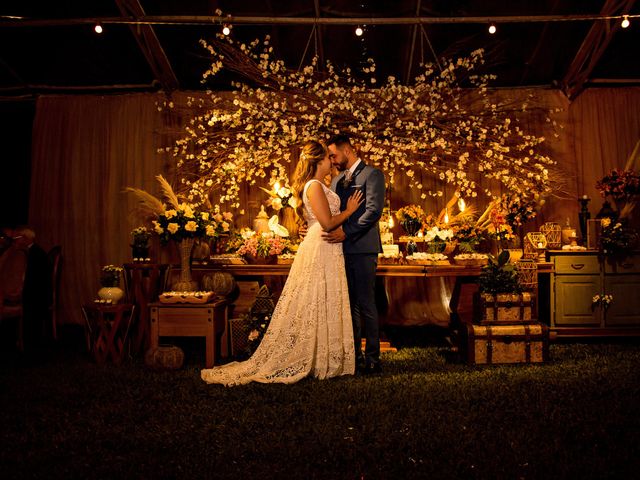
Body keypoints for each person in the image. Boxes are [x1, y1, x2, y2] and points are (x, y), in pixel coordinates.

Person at [201, 140, 363, 386]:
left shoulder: (319, 185)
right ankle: (312, 356)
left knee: (322, 298)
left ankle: (324, 356)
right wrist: (350, 210)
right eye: (328, 158)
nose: (333, 162)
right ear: (319, 161)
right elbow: (328, 223)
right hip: (322, 244)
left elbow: (317, 220)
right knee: (315, 298)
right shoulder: (315, 186)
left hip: (326, 245)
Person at [323, 134, 386, 374]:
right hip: (340, 250)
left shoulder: (372, 175)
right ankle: (354, 357)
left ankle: (373, 358)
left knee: (366, 302)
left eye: (334, 155)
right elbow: (332, 212)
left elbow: (373, 211)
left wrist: (346, 233)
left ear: (348, 150)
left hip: (363, 248)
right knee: (348, 305)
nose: (332, 160)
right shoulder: (338, 180)